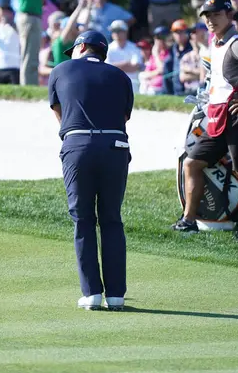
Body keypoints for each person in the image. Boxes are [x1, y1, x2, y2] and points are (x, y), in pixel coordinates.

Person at [48, 30, 134, 311]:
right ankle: (117, 295)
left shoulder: (60, 70)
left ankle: (92, 294)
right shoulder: (120, 76)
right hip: (116, 145)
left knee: (83, 219)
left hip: (77, 144)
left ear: (81, 46)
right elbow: (124, 116)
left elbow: (59, 113)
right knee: (111, 219)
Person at [173, 0, 238, 241]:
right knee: (192, 163)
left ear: (229, 15)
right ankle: (189, 220)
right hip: (217, 118)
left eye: (216, 14)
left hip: (237, 118)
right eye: (207, 16)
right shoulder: (216, 42)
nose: (211, 20)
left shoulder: (235, 43)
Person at [106, 20, 144, 93]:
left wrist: (115, 67)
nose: (116, 33)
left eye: (118, 31)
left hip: (133, 87)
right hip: (113, 86)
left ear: (125, 32)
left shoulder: (134, 48)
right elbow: (108, 68)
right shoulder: (108, 48)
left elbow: (135, 67)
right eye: (114, 31)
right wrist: (126, 63)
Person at [164, 19, 193, 96]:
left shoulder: (192, 47)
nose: (179, 35)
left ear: (186, 32)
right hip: (175, 89)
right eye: (176, 32)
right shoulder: (173, 48)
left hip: (189, 88)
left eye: (181, 32)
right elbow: (168, 69)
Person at [138, 26, 170, 95]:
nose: (159, 41)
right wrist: (156, 72)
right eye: (157, 38)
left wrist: (156, 54)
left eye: (161, 38)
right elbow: (145, 74)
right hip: (151, 87)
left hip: (162, 89)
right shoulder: (154, 55)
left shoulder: (169, 53)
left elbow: (162, 70)